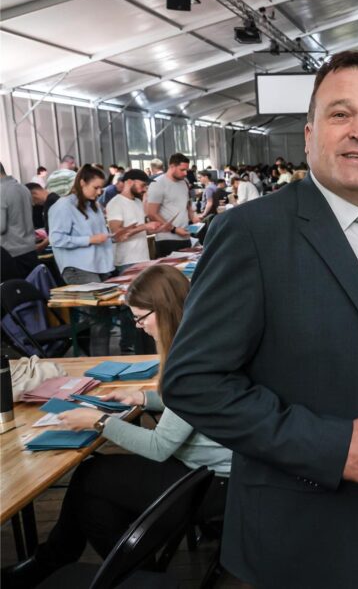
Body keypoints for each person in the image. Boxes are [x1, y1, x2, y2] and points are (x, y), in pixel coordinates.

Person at [161, 51, 358, 587]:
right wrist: (328, 446)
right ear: (308, 134)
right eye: (341, 114)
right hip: (314, 534)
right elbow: (191, 382)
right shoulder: (253, 233)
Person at [2, 266, 232, 588]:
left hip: (211, 483)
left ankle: (74, 565)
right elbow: (191, 403)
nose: (138, 326)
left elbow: (159, 446)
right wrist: (143, 397)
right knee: (93, 487)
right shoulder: (200, 341)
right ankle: (119, 569)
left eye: (141, 317)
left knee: (90, 480)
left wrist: (98, 421)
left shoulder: (189, 360)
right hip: (213, 473)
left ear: (165, 310)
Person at [48, 166, 126, 355]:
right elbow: (56, 239)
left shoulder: (94, 205)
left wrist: (114, 236)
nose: (99, 192)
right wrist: (89, 240)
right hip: (78, 267)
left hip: (98, 265)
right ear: (82, 182)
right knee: (98, 316)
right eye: (96, 188)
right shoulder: (63, 205)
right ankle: (100, 362)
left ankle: (104, 358)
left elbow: (99, 234)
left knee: (104, 315)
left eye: (101, 188)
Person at [106, 169, 163, 272]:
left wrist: (159, 228)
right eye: (142, 185)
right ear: (129, 182)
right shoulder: (116, 203)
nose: (144, 189)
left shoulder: (137, 202)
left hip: (143, 257)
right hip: (127, 260)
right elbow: (117, 234)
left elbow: (142, 229)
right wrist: (145, 226)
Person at [146, 152, 196, 257]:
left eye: (186, 170)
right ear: (172, 166)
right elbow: (152, 213)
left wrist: (193, 217)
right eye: (182, 170)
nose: (185, 173)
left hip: (185, 236)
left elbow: (187, 204)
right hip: (167, 239)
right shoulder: (158, 184)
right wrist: (175, 229)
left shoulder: (184, 182)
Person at [1, 163, 41, 280]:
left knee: (17, 296)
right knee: (33, 292)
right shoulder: (22, 188)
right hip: (30, 250)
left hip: (12, 254)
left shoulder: (1, 190)